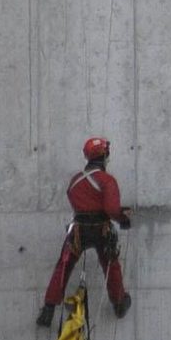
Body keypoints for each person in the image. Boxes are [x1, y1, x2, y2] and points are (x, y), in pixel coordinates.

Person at [37, 137, 132, 326]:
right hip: (101, 230)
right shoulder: (107, 180)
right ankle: (119, 303)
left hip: (78, 230)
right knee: (111, 265)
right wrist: (123, 218)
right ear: (104, 155)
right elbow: (112, 209)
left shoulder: (75, 180)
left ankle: (48, 309)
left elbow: (76, 200)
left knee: (63, 266)